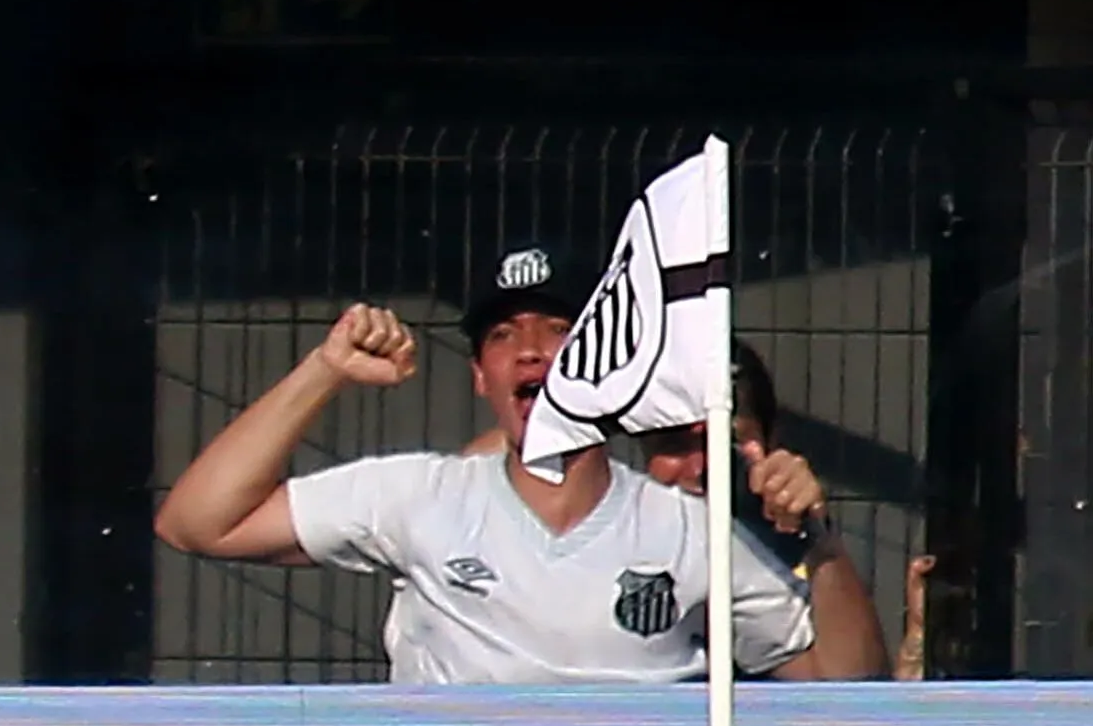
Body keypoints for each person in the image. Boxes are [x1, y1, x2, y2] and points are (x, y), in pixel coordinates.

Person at [153, 254, 872, 683]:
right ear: (479, 376)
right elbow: (195, 522)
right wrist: (323, 370)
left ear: (608, 359)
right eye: (502, 334)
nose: (529, 351)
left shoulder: (689, 532)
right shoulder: (414, 496)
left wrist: (820, 538)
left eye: (557, 329)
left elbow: (842, 691)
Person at [629, 340, 889, 679]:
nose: (700, 469)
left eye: (724, 441)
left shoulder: (793, 546)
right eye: (674, 445)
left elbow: (852, 689)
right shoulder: (617, 535)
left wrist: (815, 536)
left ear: (769, 439)